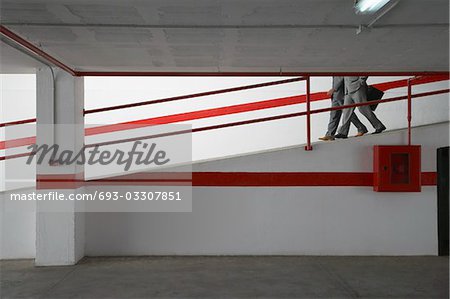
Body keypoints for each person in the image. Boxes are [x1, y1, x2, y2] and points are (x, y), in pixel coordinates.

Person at [319, 76, 368, 141]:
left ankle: (361, 128)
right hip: (336, 95)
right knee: (334, 115)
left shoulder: (338, 67)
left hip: (341, 94)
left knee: (347, 113)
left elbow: (341, 77)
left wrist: (334, 89)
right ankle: (330, 134)